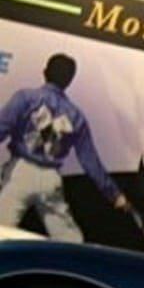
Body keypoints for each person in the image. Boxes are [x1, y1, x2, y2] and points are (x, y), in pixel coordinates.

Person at [0, 52, 129, 241]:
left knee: (1, 231)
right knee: (70, 241)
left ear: (45, 72)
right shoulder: (76, 116)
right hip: (51, 180)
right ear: (69, 80)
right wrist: (115, 195)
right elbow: (90, 162)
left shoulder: (25, 98)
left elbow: (1, 129)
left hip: (20, 173)